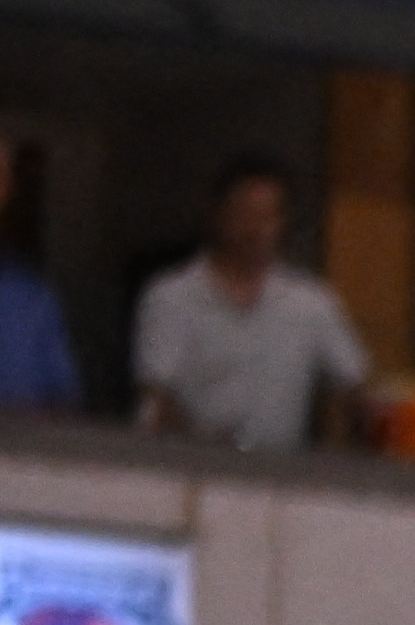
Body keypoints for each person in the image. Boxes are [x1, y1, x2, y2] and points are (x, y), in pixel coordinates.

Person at [127, 153, 375, 452]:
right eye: (243, 214)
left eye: (266, 216)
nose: (255, 229)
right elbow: (156, 395)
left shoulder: (311, 302)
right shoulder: (170, 297)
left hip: (280, 479)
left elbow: (356, 386)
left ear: (283, 222)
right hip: (190, 470)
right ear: (217, 215)